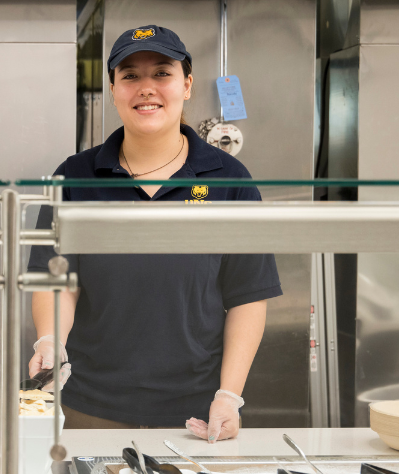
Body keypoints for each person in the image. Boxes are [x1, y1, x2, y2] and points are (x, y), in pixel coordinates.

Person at [28, 26, 282, 443]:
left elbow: (248, 296)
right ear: (113, 89)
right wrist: (51, 337)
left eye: (161, 73)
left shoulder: (229, 178)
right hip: (89, 406)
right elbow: (55, 278)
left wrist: (229, 395)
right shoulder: (75, 175)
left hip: (195, 413)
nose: (146, 88)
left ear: (186, 85)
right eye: (130, 76)